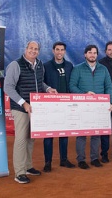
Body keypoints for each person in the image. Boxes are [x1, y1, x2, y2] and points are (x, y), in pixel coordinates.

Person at [4, 41, 57, 184]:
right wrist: (24, 103)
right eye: (31, 48)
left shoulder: (39, 65)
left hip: (35, 108)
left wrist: (48, 89)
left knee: (31, 138)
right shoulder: (16, 65)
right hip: (20, 108)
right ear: (26, 49)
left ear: (39, 51)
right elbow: (8, 87)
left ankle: (27, 167)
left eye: (36, 49)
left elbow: (40, 83)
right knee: (21, 139)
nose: (33, 51)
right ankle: (19, 172)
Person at [69, 44, 112, 169]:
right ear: (85, 54)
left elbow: (109, 87)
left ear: (97, 55)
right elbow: (72, 86)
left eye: (94, 53)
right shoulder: (77, 68)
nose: (92, 55)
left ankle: (94, 158)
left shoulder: (103, 69)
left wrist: (109, 102)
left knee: (96, 134)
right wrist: (84, 94)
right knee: (82, 134)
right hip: (82, 106)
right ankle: (81, 160)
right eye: (90, 52)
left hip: (99, 107)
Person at [42, 41, 75, 172]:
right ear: (53, 51)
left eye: (62, 50)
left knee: (64, 134)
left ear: (64, 52)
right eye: (57, 49)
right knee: (48, 135)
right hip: (50, 105)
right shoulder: (46, 66)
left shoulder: (69, 66)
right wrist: (48, 89)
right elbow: (41, 83)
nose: (59, 52)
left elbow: (72, 83)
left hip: (65, 105)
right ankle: (48, 162)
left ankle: (63, 159)